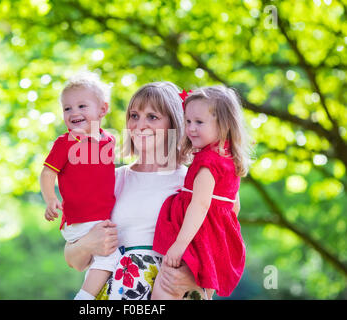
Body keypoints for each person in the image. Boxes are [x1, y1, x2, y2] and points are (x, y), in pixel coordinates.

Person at [62, 81, 227, 300]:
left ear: (174, 123)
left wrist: (194, 281)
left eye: (152, 117)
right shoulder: (111, 179)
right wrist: (88, 243)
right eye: (134, 115)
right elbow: (73, 258)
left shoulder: (194, 183)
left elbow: (218, 251)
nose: (139, 125)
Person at [151, 85, 251, 300]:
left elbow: (200, 204)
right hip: (214, 240)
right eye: (187, 121)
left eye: (199, 122)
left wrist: (179, 244)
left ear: (223, 125)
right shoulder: (230, 159)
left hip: (195, 237)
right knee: (195, 290)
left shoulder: (207, 162)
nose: (191, 128)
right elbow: (234, 206)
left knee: (165, 288)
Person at [39, 71, 120, 300]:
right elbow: (46, 173)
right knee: (109, 258)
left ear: (102, 110)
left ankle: (91, 294)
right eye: (67, 108)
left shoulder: (109, 141)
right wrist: (50, 199)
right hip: (80, 219)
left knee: (101, 262)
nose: (74, 113)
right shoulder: (65, 143)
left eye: (82, 106)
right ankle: (83, 299)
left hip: (98, 218)